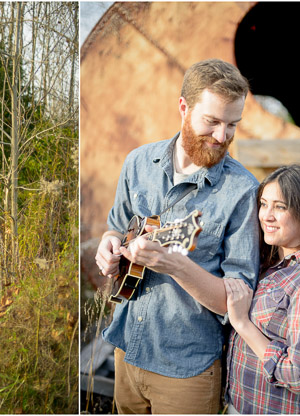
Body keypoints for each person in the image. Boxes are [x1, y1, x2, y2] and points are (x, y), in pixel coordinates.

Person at [94, 59, 261, 413]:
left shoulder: (242, 191)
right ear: (183, 107)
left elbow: (236, 306)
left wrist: (176, 266)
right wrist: (109, 247)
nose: (222, 136)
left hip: (187, 370)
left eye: (233, 125)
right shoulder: (137, 163)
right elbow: (115, 227)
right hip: (127, 349)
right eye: (212, 122)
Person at [224, 165, 300, 414]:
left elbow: (297, 375)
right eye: (264, 204)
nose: (266, 215)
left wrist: (242, 324)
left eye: (280, 207)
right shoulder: (272, 263)